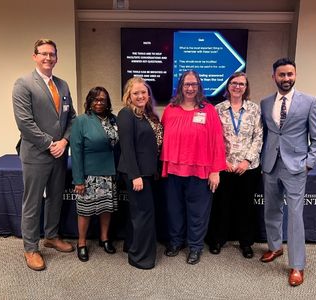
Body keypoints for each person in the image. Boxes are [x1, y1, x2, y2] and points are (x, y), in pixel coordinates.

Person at [12, 39, 76, 271]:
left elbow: (72, 118)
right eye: (43, 54)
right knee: (32, 202)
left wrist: (65, 141)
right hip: (36, 154)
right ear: (35, 56)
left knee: (56, 197)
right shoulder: (23, 83)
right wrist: (51, 144)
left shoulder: (63, 85)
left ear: (57, 57)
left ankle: (51, 236)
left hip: (60, 152)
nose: (48, 58)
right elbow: (25, 123)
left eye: (52, 54)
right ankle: (30, 248)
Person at [260, 58, 316, 286]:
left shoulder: (309, 101)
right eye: (282, 75)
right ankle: (275, 248)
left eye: (290, 74)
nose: (286, 78)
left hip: (296, 167)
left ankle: (297, 265)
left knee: (295, 216)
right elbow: (266, 134)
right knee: (271, 210)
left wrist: (308, 163)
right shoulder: (265, 103)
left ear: (295, 75)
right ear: (274, 77)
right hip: (270, 165)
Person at [161, 70, 226, 265]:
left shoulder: (208, 110)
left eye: (194, 84)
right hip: (173, 169)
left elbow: (217, 141)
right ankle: (176, 242)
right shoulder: (170, 110)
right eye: (186, 84)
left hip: (200, 170)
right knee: (174, 210)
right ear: (180, 86)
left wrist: (215, 170)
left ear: (199, 87)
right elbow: (161, 138)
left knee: (198, 212)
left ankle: (195, 247)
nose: (190, 88)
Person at [206, 72, 263, 258]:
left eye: (241, 84)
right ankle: (217, 240)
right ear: (228, 86)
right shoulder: (218, 109)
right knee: (222, 206)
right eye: (234, 83)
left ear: (246, 88)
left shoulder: (254, 109)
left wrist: (247, 160)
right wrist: (223, 161)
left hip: (248, 168)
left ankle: (246, 243)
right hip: (224, 166)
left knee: (245, 207)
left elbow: (259, 137)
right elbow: (213, 138)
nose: (237, 86)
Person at [117, 77, 163, 270]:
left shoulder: (147, 114)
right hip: (136, 173)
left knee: (138, 213)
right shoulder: (126, 114)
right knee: (144, 214)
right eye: (135, 93)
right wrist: (135, 175)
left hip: (149, 172)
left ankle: (132, 246)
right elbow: (126, 147)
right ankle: (140, 258)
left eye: (143, 92)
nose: (140, 96)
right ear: (129, 96)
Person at [70, 87, 119, 262]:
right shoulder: (81, 121)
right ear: (89, 101)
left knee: (106, 209)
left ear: (107, 102)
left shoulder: (114, 119)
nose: (99, 103)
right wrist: (78, 179)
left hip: (109, 172)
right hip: (88, 175)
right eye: (95, 99)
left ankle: (104, 238)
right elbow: (75, 152)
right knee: (85, 211)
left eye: (102, 100)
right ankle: (81, 243)